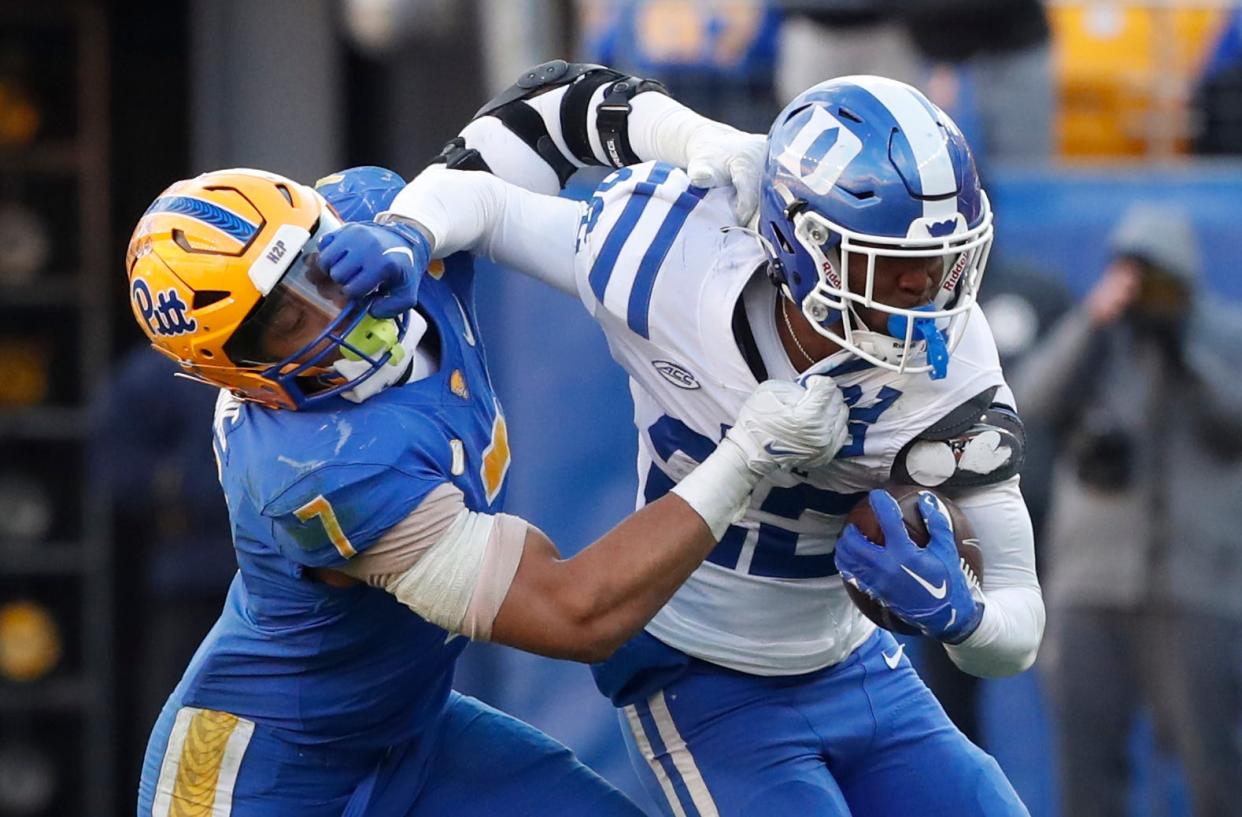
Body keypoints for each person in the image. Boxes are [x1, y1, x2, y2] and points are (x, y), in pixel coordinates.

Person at [336, 68, 1044, 815]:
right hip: (701, 671)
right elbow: (483, 202)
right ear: (803, 244)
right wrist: (406, 231)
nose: (928, 294)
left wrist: (960, 617)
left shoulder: (954, 364)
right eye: (896, 268)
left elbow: (1017, 628)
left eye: (943, 263)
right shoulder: (669, 258)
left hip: (858, 665)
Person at [127, 124, 851, 817]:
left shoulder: (379, 218)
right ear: (231, 369)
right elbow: (578, 611)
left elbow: (534, 115)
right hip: (264, 779)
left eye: (313, 262)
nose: (328, 304)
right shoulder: (312, 469)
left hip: (410, 730)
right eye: (282, 318)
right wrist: (746, 454)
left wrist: (689, 137)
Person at [1011, 203, 1242, 817]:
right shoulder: (1095, 335)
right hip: (1091, 583)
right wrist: (1093, 321)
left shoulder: (1225, 335)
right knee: (1085, 771)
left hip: (1198, 585)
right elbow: (1031, 400)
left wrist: (1183, 347)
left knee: (1215, 771)